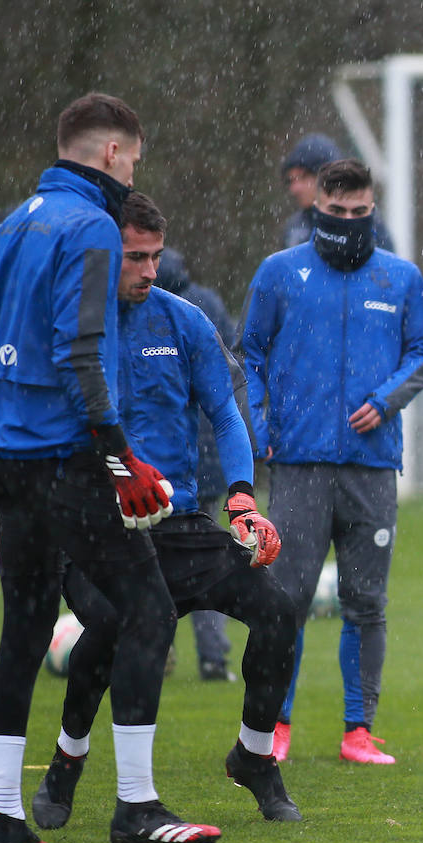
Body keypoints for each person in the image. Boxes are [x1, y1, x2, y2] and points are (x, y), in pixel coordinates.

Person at [0, 92, 219, 843]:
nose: (132, 169)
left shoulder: (12, 224)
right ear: (111, 154)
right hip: (68, 458)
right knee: (149, 609)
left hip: (8, 456)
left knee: (26, 632)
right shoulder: (93, 225)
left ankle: (6, 821)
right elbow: (79, 353)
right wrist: (117, 455)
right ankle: (136, 808)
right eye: (132, 158)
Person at [27, 192, 301, 830]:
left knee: (279, 613)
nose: (150, 271)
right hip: (93, 523)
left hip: (174, 523)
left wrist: (239, 494)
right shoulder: (68, 325)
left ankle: (255, 756)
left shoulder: (184, 320)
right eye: (134, 258)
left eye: (155, 256)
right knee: (119, 626)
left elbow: (227, 412)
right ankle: (70, 759)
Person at [241, 158, 423, 764]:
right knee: (288, 599)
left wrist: (386, 401)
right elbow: (248, 352)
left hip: (372, 468)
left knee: (366, 602)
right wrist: (260, 424)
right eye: (337, 213)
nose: (350, 222)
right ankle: (276, 724)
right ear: (316, 210)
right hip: (299, 464)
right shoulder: (280, 273)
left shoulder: (400, 279)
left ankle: (359, 730)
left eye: (360, 213)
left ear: (372, 209)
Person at [156, 246, 240, 682]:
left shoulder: (140, 311)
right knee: (205, 564)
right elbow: (228, 383)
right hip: (206, 463)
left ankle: (156, 647)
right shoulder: (205, 304)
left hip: (161, 466)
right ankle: (213, 658)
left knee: (152, 562)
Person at [278, 133, 394, 251]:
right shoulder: (295, 228)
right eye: (291, 180)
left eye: (304, 177)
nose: (295, 188)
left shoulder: (366, 226)